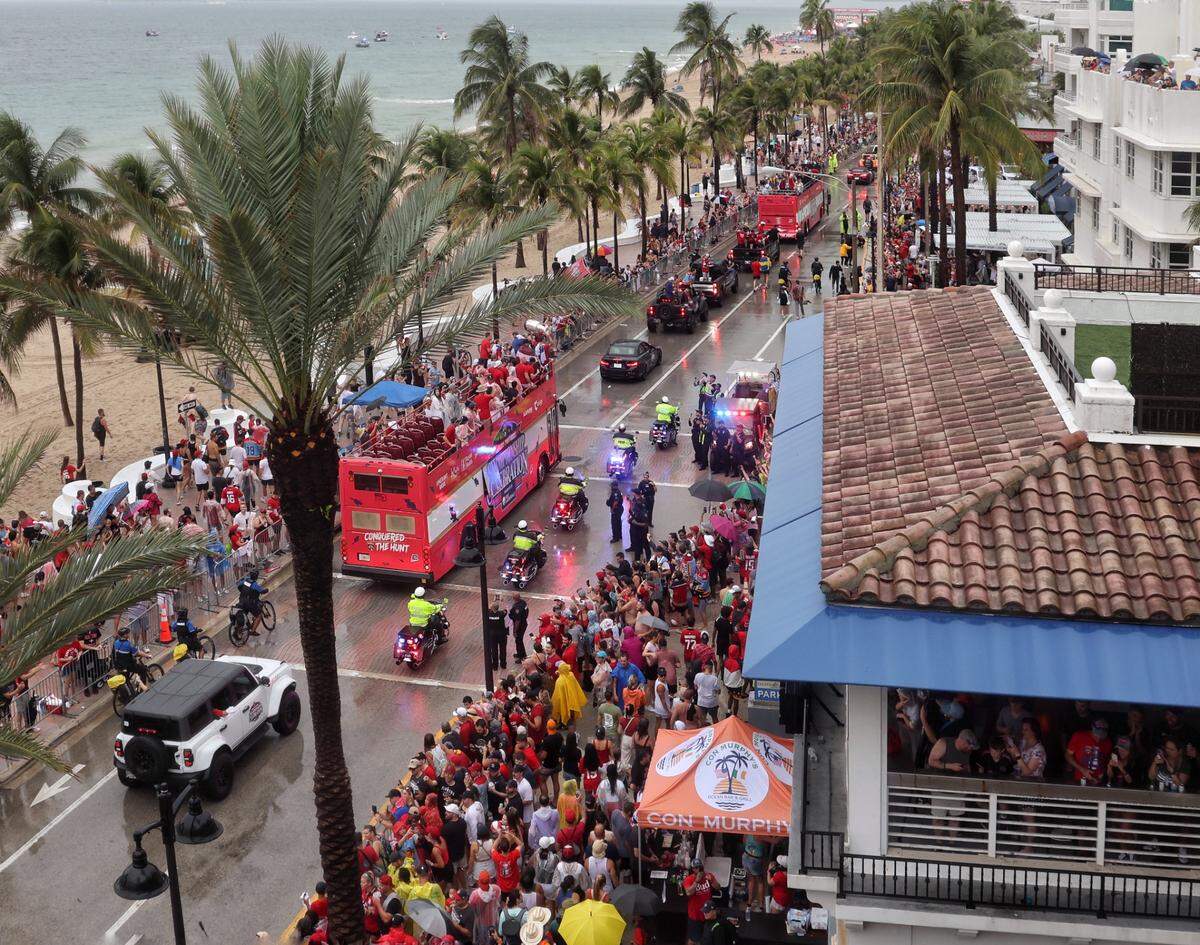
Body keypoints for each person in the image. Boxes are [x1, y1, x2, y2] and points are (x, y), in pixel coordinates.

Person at [684, 860, 719, 945]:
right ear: (692, 869)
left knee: (707, 938)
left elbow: (718, 887)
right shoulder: (689, 879)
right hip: (695, 915)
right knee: (693, 939)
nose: (698, 870)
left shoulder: (709, 876)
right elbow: (688, 892)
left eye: (699, 867)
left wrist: (712, 881)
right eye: (695, 868)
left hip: (707, 914)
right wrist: (696, 881)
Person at [236, 568, 268, 635]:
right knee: (258, 616)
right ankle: (253, 631)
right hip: (250, 603)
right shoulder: (255, 585)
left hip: (241, 601)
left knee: (243, 615)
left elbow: (239, 586)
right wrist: (266, 589)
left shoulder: (245, 580)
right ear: (256, 577)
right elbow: (262, 591)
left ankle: (239, 631)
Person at [509, 593, 529, 661]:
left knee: (518, 640)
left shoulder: (517, 607)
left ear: (514, 598)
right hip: (524, 623)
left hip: (520, 626)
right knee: (519, 640)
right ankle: (522, 654)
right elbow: (527, 611)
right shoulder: (523, 602)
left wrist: (515, 631)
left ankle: (521, 657)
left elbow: (517, 621)